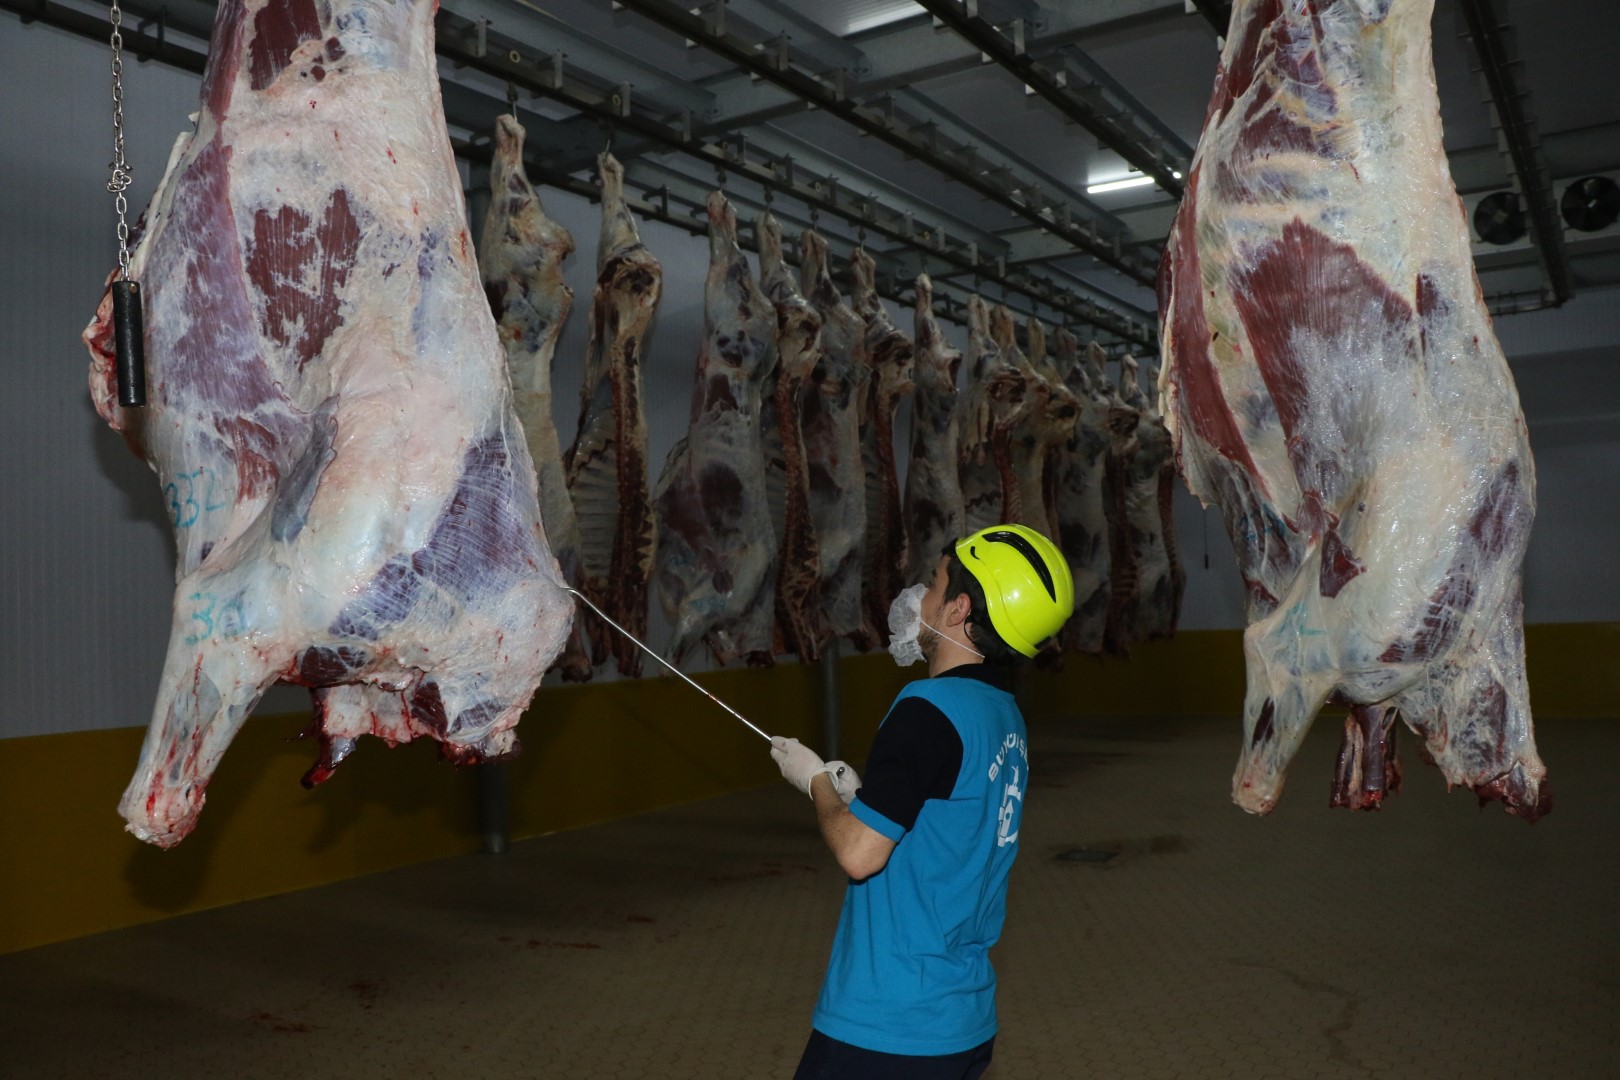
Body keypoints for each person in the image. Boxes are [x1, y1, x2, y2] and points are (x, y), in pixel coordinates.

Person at [771, 524, 1075, 1080]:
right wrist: (863, 799)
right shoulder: (1003, 714)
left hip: (888, 1025)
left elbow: (860, 855)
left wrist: (815, 782)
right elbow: (950, 819)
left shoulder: (926, 709)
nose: (919, 597)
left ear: (958, 609)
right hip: (961, 1022)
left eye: (934, 585)